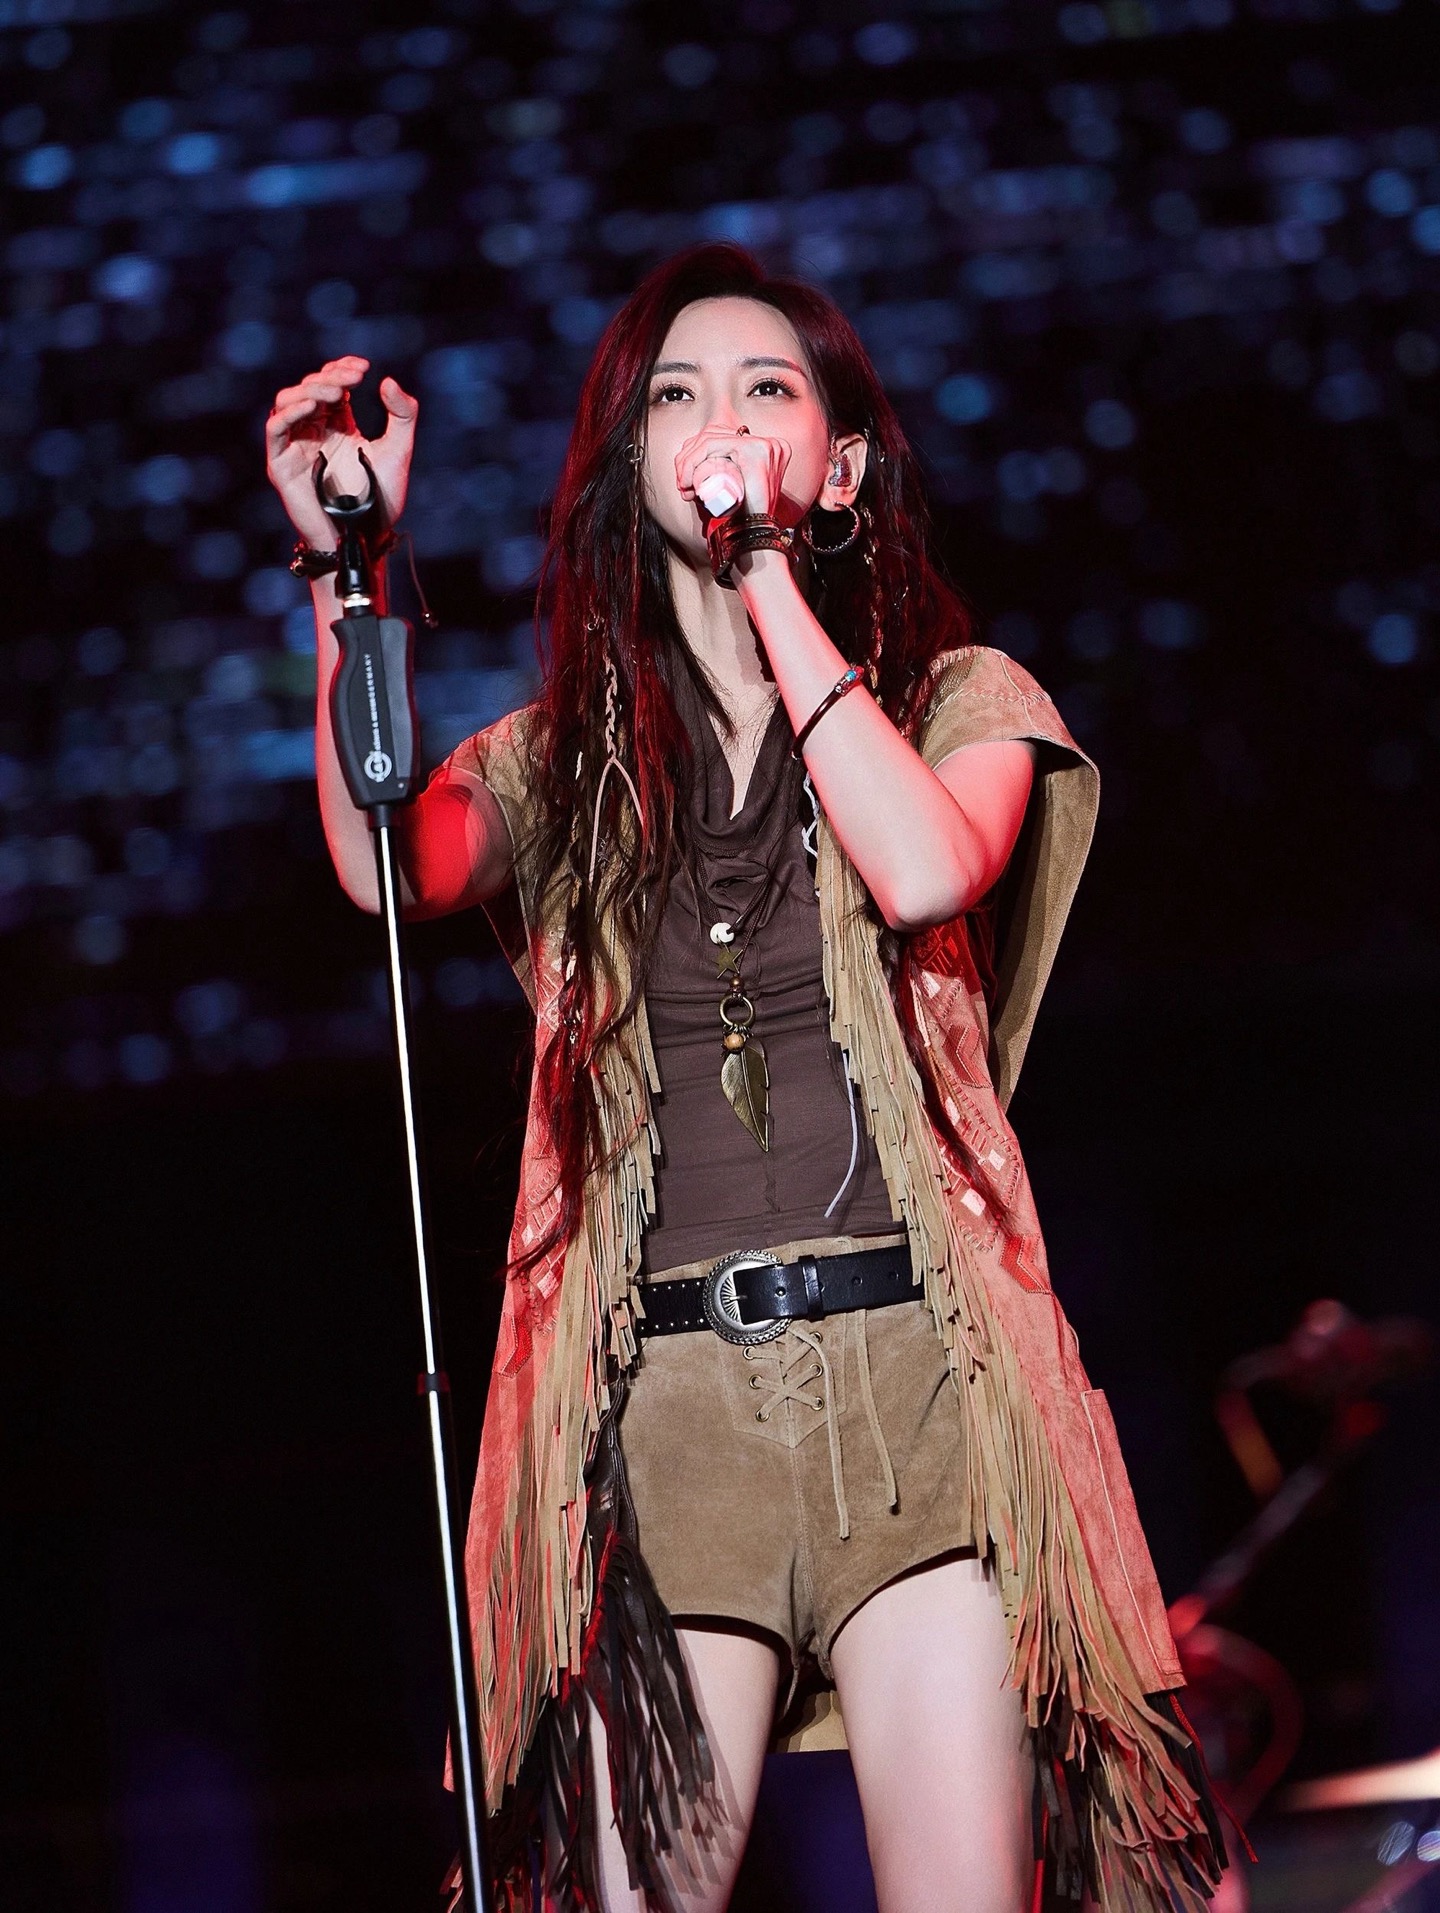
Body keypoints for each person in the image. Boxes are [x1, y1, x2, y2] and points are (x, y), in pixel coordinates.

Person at [265, 245, 1223, 1913]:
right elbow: (385, 861)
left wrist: (765, 571)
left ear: (837, 466)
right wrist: (347, 570)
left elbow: (923, 867)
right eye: (678, 396)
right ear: (631, 465)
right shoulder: (563, 761)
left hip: (917, 1394)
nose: (719, 420)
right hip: (669, 1422)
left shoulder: (964, 703)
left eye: (767, 389)